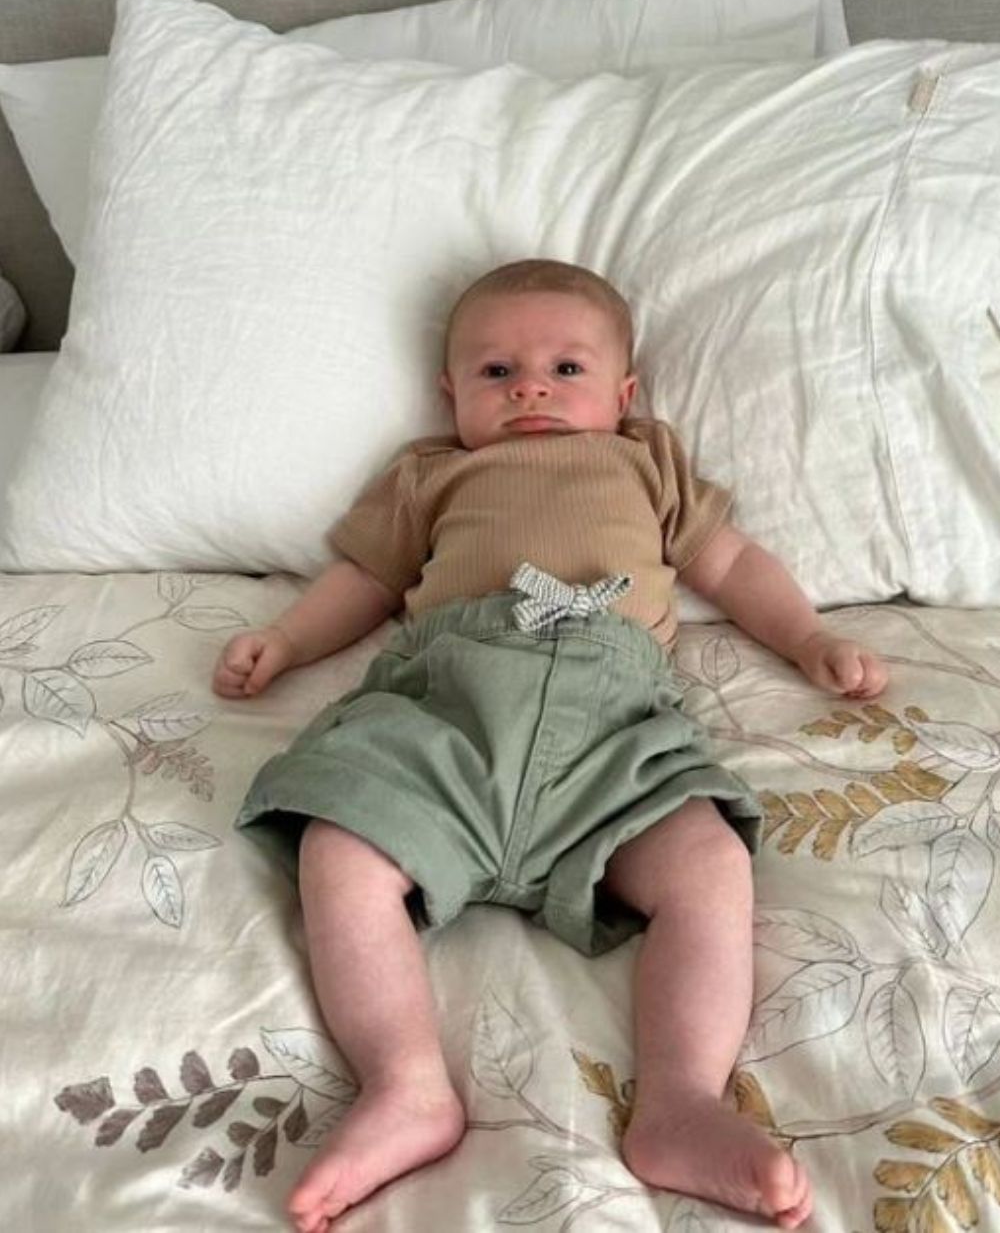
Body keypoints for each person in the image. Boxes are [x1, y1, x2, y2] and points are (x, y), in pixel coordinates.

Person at [216, 259, 888, 1233]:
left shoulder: (645, 461)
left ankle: (681, 1100)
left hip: (608, 729)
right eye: (494, 372)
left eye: (565, 368)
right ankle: (404, 1083)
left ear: (624, 394)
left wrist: (810, 638)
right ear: (450, 395)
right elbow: (362, 580)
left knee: (706, 861)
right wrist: (284, 642)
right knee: (340, 847)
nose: (529, 386)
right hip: (447, 708)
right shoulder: (430, 473)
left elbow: (732, 562)